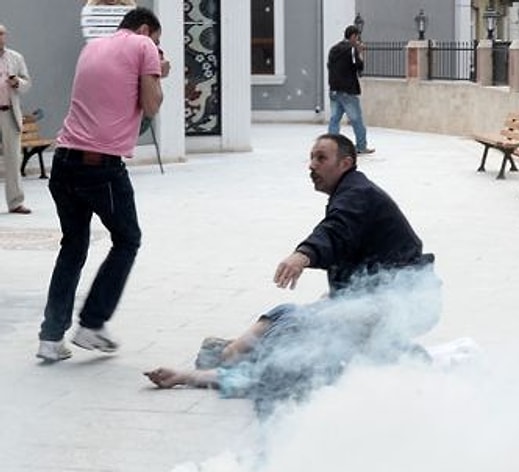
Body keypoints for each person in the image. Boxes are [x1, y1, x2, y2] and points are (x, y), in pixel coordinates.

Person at [144, 134, 440, 414]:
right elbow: (349, 243)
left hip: (402, 300)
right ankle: (229, 356)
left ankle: (215, 368)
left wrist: (304, 254)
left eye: (321, 158)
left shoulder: (356, 194)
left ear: (346, 163)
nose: (312, 166)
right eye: (311, 158)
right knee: (295, 316)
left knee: (299, 338)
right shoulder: (352, 192)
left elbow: (337, 230)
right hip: (387, 298)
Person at [36, 7, 171, 362]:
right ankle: (92, 325)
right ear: (145, 30)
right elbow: (152, 105)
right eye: (157, 41)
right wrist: (159, 73)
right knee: (128, 240)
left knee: (74, 245)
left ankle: (50, 338)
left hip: (63, 160)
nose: (156, 48)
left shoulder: (93, 46)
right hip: (100, 168)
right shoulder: (143, 47)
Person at [327, 25, 374, 155]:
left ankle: (330, 147)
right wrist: (359, 52)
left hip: (334, 90)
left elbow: (330, 66)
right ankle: (361, 146)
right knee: (357, 120)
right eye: (357, 37)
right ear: (353, 36)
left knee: (334, 120)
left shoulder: (333, 49)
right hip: (348, 90)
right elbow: (358, 67)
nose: (358, 39)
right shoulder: (351, 49)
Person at [0, 23, 32, 215]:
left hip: (9, 113)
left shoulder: (15, 58)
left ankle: (15, 202)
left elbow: (27, 83)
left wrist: (17, 82)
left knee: (13, 160)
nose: (0, 37)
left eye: (2, 34)